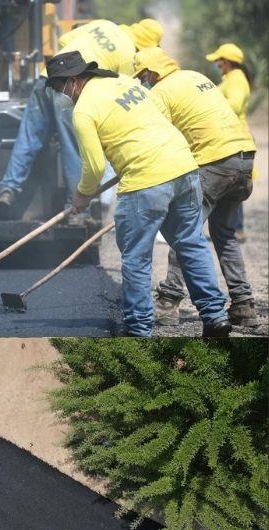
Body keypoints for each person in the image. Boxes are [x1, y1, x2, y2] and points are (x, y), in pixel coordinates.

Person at [47, 50, 230, 337]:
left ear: (72, 81)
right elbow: (153, 118)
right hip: (183, 167)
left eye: (58, 88)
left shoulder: (83, 112)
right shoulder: (122, 81)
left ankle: (138, 329)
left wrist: (82, 195)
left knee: (136, 257)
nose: (60, 95)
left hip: (146, 181)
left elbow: (94, 167)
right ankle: (216, 316)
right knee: (190, 243)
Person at [134, 48, 261, 328]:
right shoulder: (194, 76)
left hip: (215, 162)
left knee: (184, 231)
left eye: (142, 75)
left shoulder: (159, 93)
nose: (142, 81)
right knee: (225, 235)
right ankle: (243, 306)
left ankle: (167, 302)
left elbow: (157, 139)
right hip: (243, 159)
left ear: (152, 72)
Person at [0, 19, 158, 219]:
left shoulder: (104, 25)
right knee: (75, 148)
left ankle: (8, 190)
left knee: (28, 140)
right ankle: (79, 211)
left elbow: (64, 40)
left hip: (48, 79)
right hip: (71, 89)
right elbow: (120, 90)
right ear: (144, 46)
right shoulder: (128, 55)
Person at [207, 43, 254, 241]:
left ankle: (237, 228)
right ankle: (234, 228)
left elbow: (234, 104)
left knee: (234, 185)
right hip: (229, 136)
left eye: (218, 62)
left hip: (235, 137)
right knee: (233, 185)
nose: (217, 65)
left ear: (226, 62)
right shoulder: (230, 78)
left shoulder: (236, 80)